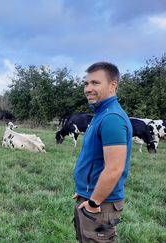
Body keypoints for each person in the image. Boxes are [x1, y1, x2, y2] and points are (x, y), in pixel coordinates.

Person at [73, 62, 132, 242]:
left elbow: (114, 169)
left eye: (95, 83)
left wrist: (93, 202)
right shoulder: (101, 114)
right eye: (86, 83)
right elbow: (95, 158)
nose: (88, 89)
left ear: (112, 85)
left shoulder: (111, 119)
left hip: (100, 206)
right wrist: (84, 188)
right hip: (91, 197)